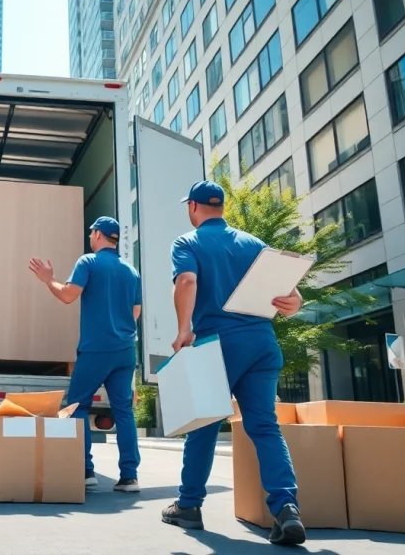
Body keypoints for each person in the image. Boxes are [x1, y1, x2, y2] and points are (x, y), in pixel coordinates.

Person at [161, 180, 306, 546]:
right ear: (222, 207)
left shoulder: (187, 242)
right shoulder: (254, 243)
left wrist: (183, 331)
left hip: (218, 346)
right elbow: (292, 294)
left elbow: (188, 281)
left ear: (193, 207)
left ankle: (189, 506)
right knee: (264, 427)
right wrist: (296, 304)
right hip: (261, 345)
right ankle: (287, 508)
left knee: (205, 425)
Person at [28, 216, 142, 493]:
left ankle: (85, 471)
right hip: (126, 350)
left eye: (92, 232)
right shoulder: (131, 271)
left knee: (77, 407)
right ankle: (129, 477)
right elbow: (135, 313)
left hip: (96, 349)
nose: (90, 237)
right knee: (124, 411)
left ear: (99, 235)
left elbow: (68, 296)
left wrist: (48, 279)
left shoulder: (88, 262)